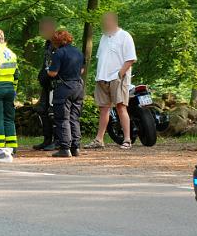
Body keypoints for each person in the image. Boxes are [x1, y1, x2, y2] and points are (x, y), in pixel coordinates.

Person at [84, 12, 137, 150]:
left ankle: (127, 139)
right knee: (103, 109)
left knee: (121, 107)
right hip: (102, 78)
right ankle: (99, 140)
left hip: (118, 78)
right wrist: (99, 75)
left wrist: (119, 75)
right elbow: (100, 57)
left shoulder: (125, 36)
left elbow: (130, 58)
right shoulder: (103, 37)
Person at [47, 30, 85, 158]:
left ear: (56, 41)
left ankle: (65, 148)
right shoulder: (78, 52)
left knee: (63, 118)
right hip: (78, 87)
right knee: (74, 118)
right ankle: (76, 147)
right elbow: (82, 70)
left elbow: (53, 73)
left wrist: (48, 70)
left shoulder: (58, 53)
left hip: (64, 88)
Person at [35, 18, 57, 151]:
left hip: (54, 84)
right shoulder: (47, 43)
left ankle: (56, 140)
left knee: (53, 112)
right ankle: (47, 139)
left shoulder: (56, 43)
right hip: (46, 83)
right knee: (43, 110)